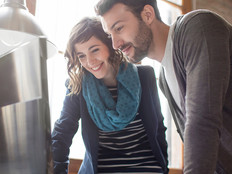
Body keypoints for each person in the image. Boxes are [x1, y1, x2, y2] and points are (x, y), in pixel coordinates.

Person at [95, 0, 232, 174]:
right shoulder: (164, 80)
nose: (115, 44)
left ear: (147, 15)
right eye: (109, 35)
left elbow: (203, 120)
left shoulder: (198, 27)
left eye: (119, 28)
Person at [51, 16, 169, 174]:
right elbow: (61, 134)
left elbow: (159, 128)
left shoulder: (145, 77)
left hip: (147, 169)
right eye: (81, 56)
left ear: (110, 45)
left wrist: (164, 167)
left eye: (95, 50)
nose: (90, 61)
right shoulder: (78, 87)